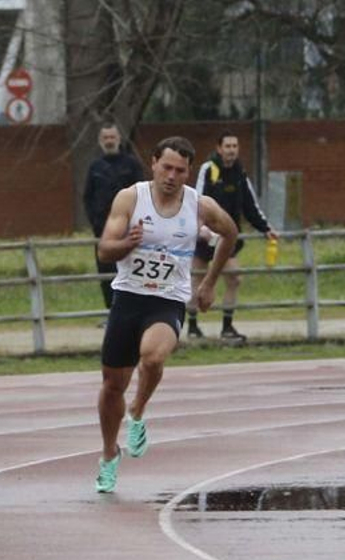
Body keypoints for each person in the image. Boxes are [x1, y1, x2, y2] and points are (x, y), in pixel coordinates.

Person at [94, 136, 238, 493]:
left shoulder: (199, 205)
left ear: (189, 173)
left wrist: (208, 284)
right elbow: (104, 250)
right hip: (128, 297)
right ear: (154, 163)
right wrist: (127, 243)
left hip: (168, 299)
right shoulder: (131, 198)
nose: (172, 176)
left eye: (180, 170)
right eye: (167, 167)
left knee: (153, 356)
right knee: (113, 385)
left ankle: (138, 412)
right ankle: (109, 454)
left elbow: (230, 232)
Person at [188, 131, 276, 342]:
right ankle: (192, 327)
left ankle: (227, 327)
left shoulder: (240, 174)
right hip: (204, 236)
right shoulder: (209, 170)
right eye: (227, 146)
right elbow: (196, 200)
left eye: (234, 146)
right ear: (219, 148)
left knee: (234, 277)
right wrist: (200, 229)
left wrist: (265, 228)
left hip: (227, 239)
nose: (231, 150)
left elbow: (250, 206)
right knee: (196, 281)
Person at [82, 121, 146, 314]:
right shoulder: (95, 167)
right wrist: (95, 223)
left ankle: (131, 310)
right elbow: (87, 197)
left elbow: (142, 194)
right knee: (106, 273)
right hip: (103, 232)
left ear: (119, 138)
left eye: (112, 137)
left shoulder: (132, 164)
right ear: (100, 141)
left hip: (129, 233)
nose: (109, 141)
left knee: (130, 271)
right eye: (105, 138)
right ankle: (110, 312)